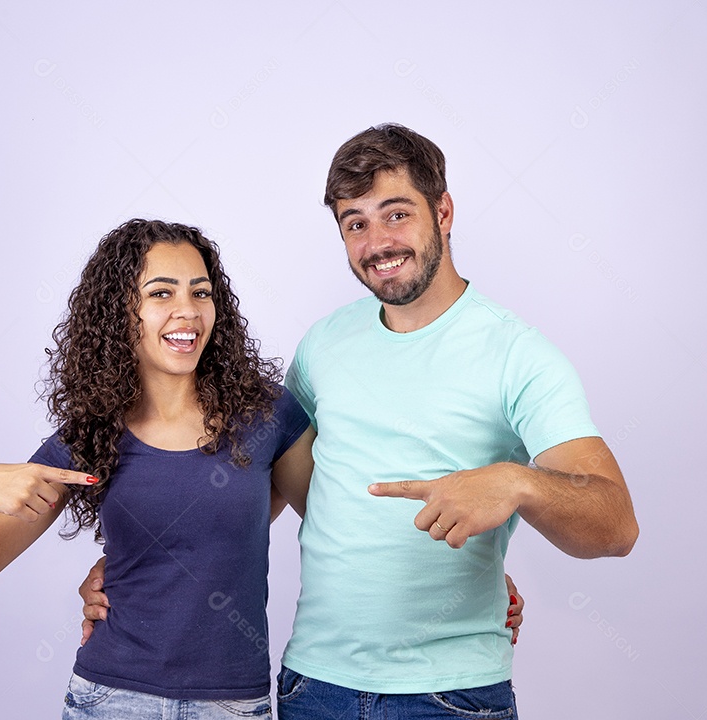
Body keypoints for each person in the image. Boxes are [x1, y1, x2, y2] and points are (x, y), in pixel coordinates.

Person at [82, 124, 637, 718]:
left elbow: (615, 526)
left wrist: (517, 482)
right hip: (311, 690)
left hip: (449, 696)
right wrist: (137, 561)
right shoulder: (323, 345)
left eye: (396, 215)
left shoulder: (519, 354)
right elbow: (262, 481)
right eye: (355, 223)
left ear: (444, 211)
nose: (376, 242)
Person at [0, 219, 317, 719]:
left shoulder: (268, 415)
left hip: (232, 704)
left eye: (201, 293)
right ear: (120, 313)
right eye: (161, 293)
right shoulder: (92, 435)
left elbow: (329, 525)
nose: (188, 311)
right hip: (111, 700)